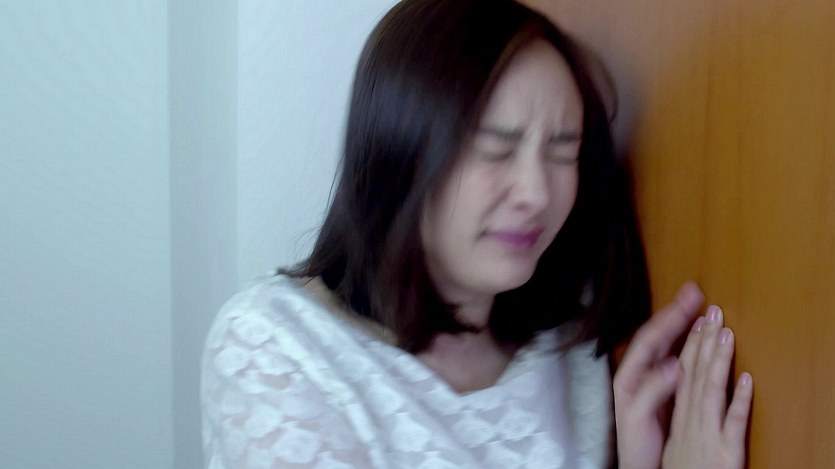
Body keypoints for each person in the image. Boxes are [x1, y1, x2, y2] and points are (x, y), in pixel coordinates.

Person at [201, 0, 753, 467]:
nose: (536, 192)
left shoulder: (570, 348)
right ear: (401, 149)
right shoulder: (274, 347)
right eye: (496, 148)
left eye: (563, 150)